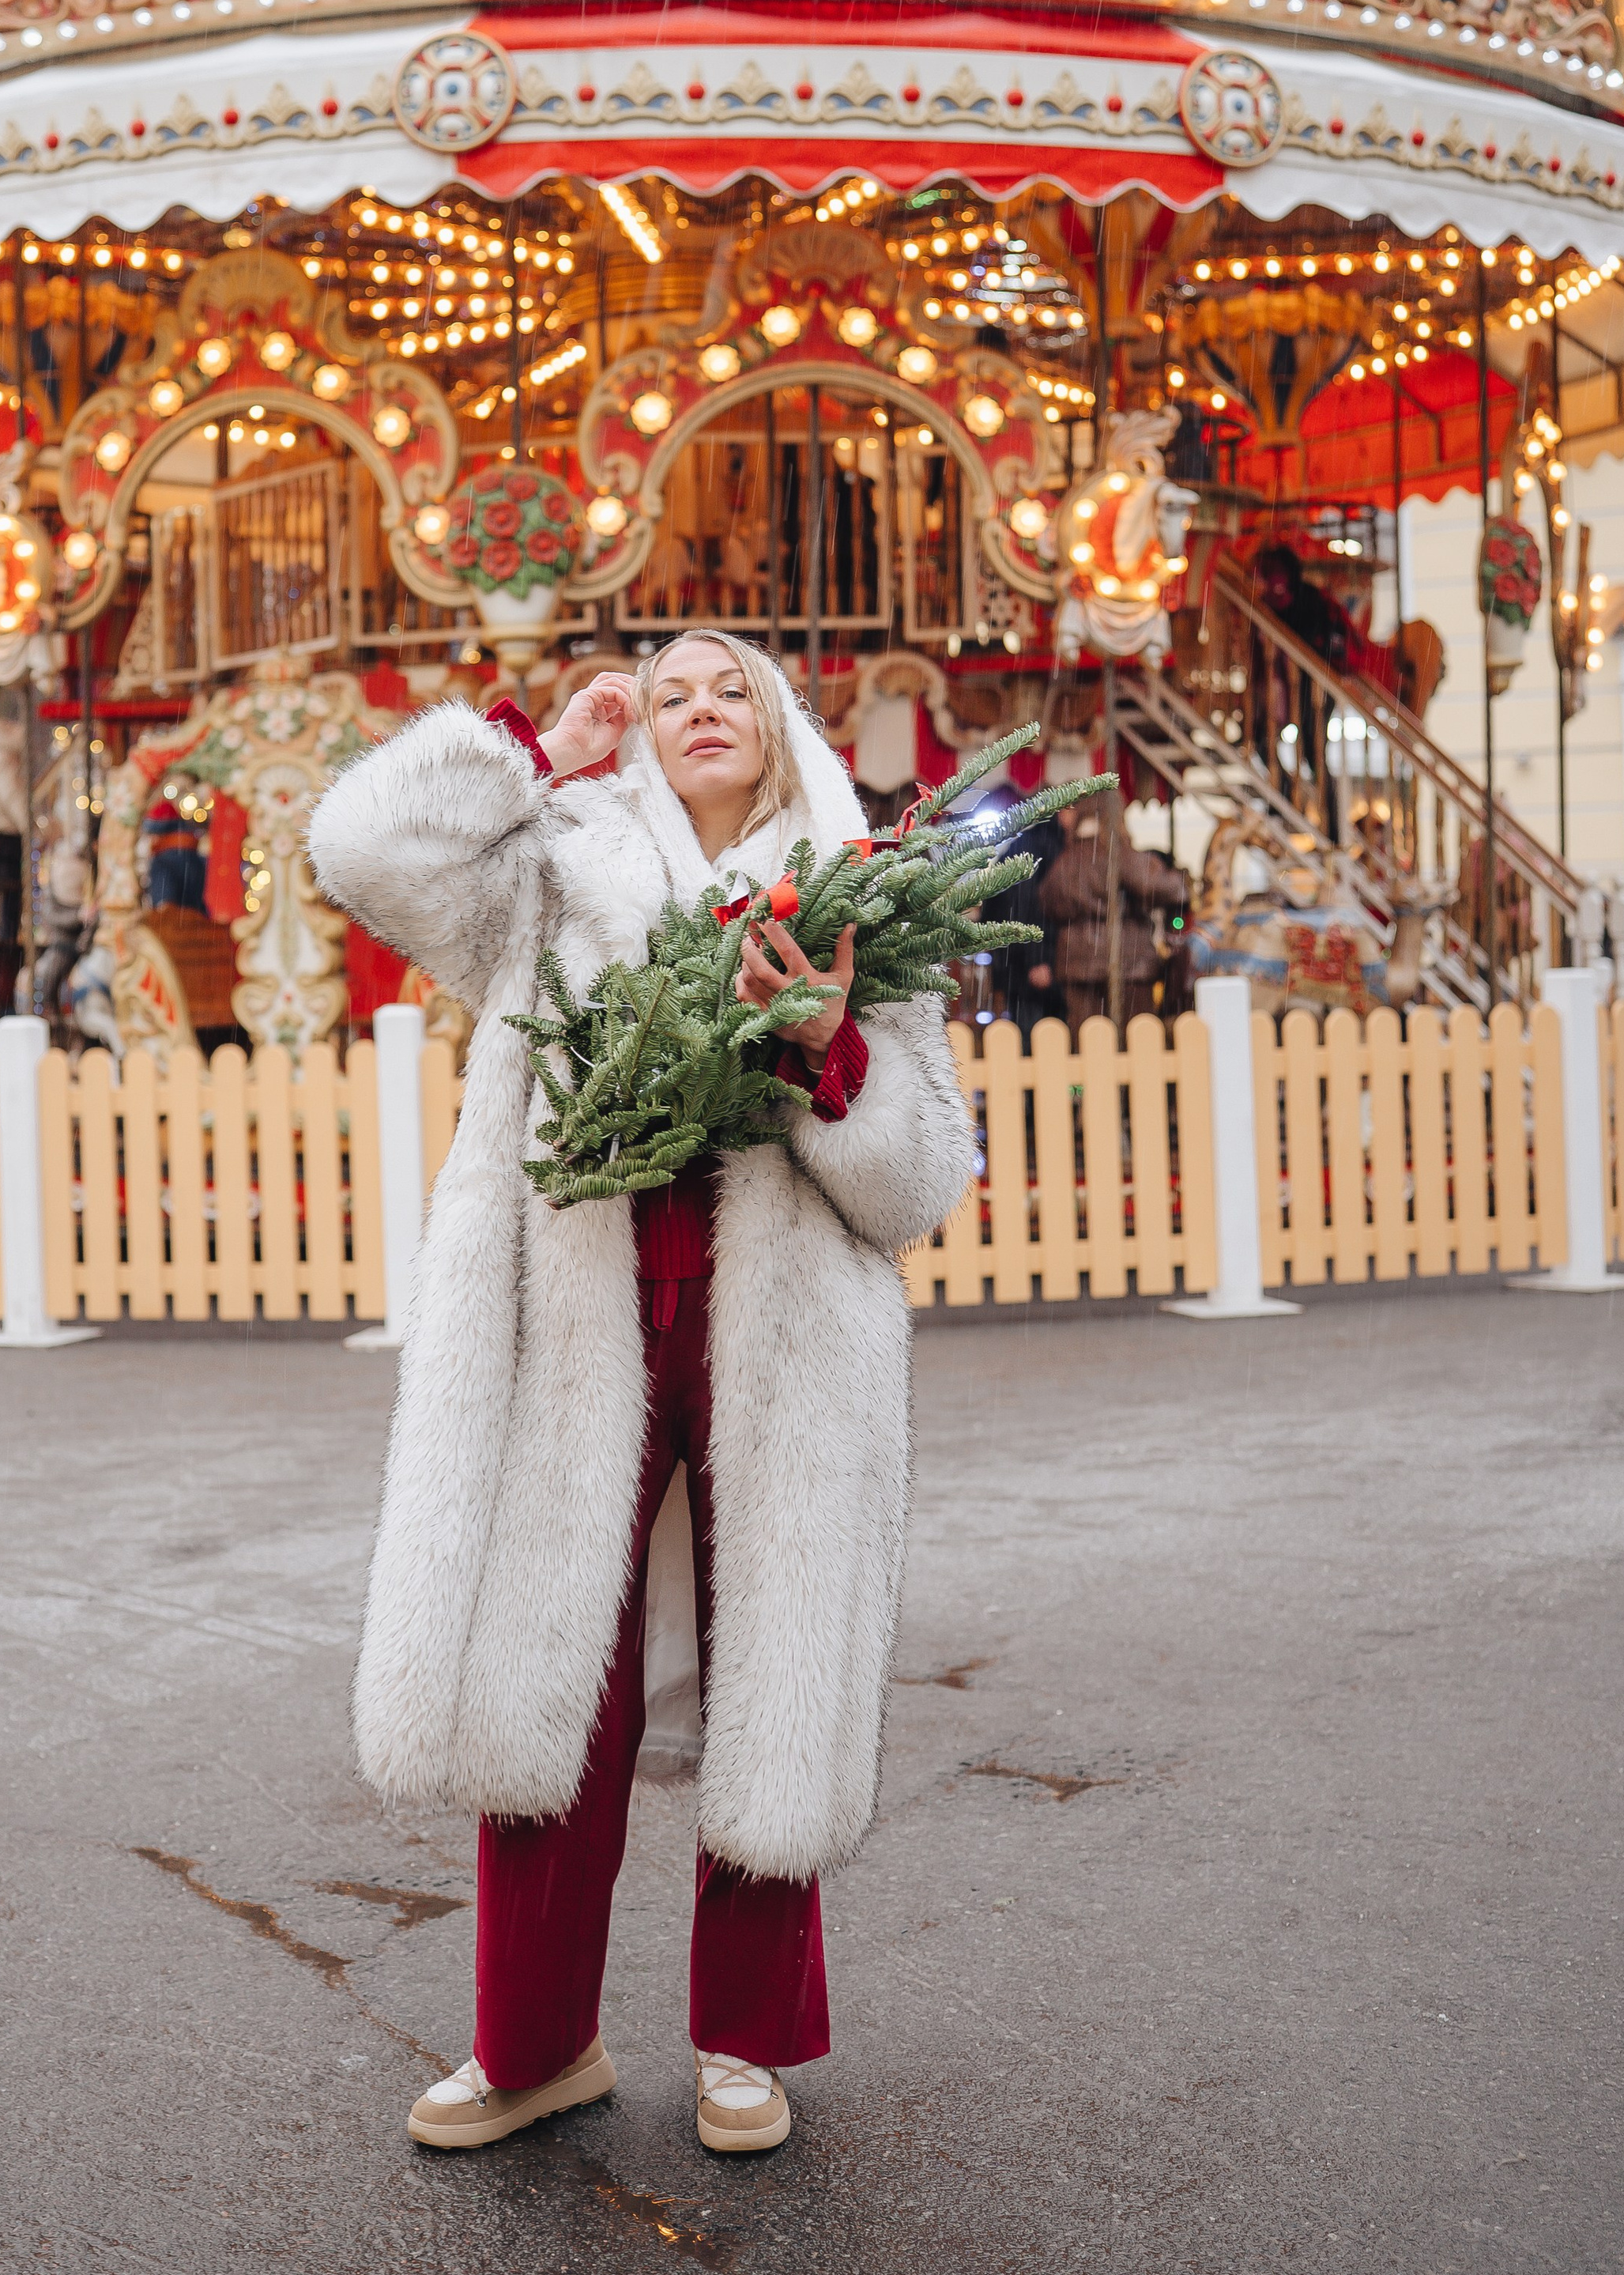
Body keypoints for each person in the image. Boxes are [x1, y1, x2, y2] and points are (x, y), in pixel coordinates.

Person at [309, 630, 975, 2158]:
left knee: (777, 1672)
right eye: (668, 692)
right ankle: (532, 2043)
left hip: (784, 1328)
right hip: (581, 1314)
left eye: (727, 686)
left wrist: (829, 1054)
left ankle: (748, 2039)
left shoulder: (862, 890)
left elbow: (920, 1181)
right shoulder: (554, 856)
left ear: (780, 720)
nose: (696, 710)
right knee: (553, 1683)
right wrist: (537, 744)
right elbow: (363, 845)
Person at [1034, 801, 1189, 1034]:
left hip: (1076, 964)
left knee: (1087, 1037)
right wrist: (1181, 879)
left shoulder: (1064, 862)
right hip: (1127, 962)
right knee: (1136, 1036)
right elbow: (1163, 887)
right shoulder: (1115, 851)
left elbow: (1047, 904)